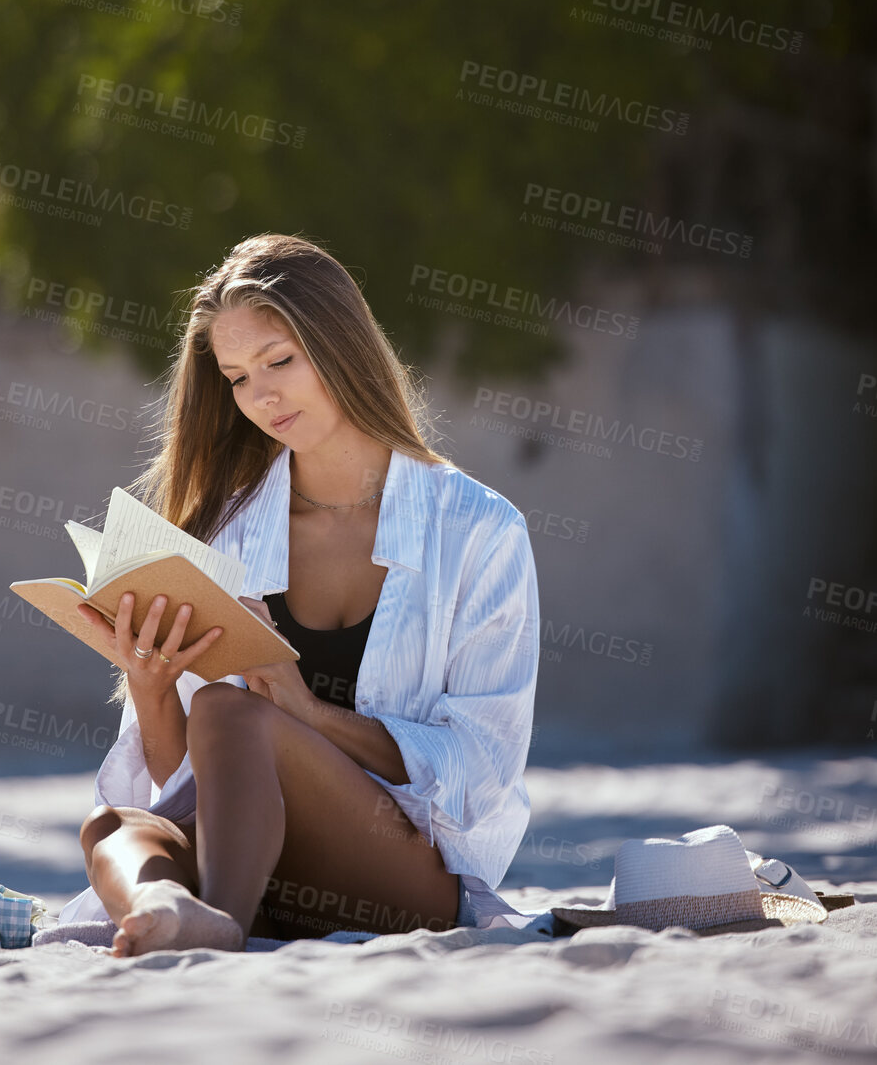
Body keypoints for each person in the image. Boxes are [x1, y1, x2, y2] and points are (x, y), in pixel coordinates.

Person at [57, 233, 539, 955]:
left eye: (279, 360)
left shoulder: (478, 529)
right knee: (116, 826)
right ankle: (168, 902)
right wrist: (151, 686)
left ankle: (213, 918)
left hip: (402, 875)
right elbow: (185, 778)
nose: (262, 396)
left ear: (340, 344)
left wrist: (306, 713)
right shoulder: (229, 532)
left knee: (232, 708)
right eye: (238, 377)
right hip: (266, 876)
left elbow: (481, 768)